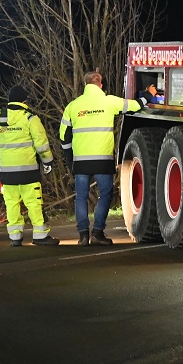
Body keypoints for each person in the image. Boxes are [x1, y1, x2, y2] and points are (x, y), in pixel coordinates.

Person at [60, 70, 142, 245]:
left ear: (85, 84)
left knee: (81, 197)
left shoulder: (73, 106)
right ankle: (97, 233)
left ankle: (83, 235)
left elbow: (64, 137)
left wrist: (70, 160)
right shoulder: (109, 101)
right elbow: (135, 106)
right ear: (100, 85)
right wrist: (147, 96)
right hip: (102, 160)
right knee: (105, 195)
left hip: (81, 161)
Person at [0, 85, 59, 247]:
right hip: (28, 172)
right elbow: (42, 144)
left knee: (12, 204)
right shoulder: (30, 119)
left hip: (7, 173)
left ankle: (15, 237)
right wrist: (47, 162)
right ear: (24, 101)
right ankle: (40, 235)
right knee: (34, 203)